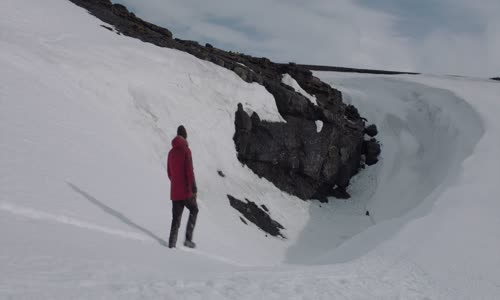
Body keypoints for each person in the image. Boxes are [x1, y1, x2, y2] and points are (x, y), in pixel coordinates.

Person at [167, 125, 198, 248]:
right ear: (185, 136)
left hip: (175, 192)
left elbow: (170, 172)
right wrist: (194, 188)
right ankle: (188, 239)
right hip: (186, 191)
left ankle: (171, 244)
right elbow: (189, 171)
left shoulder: (171, 152)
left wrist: (175, 183)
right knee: (194, 210)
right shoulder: (186, 150)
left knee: (176, 219)